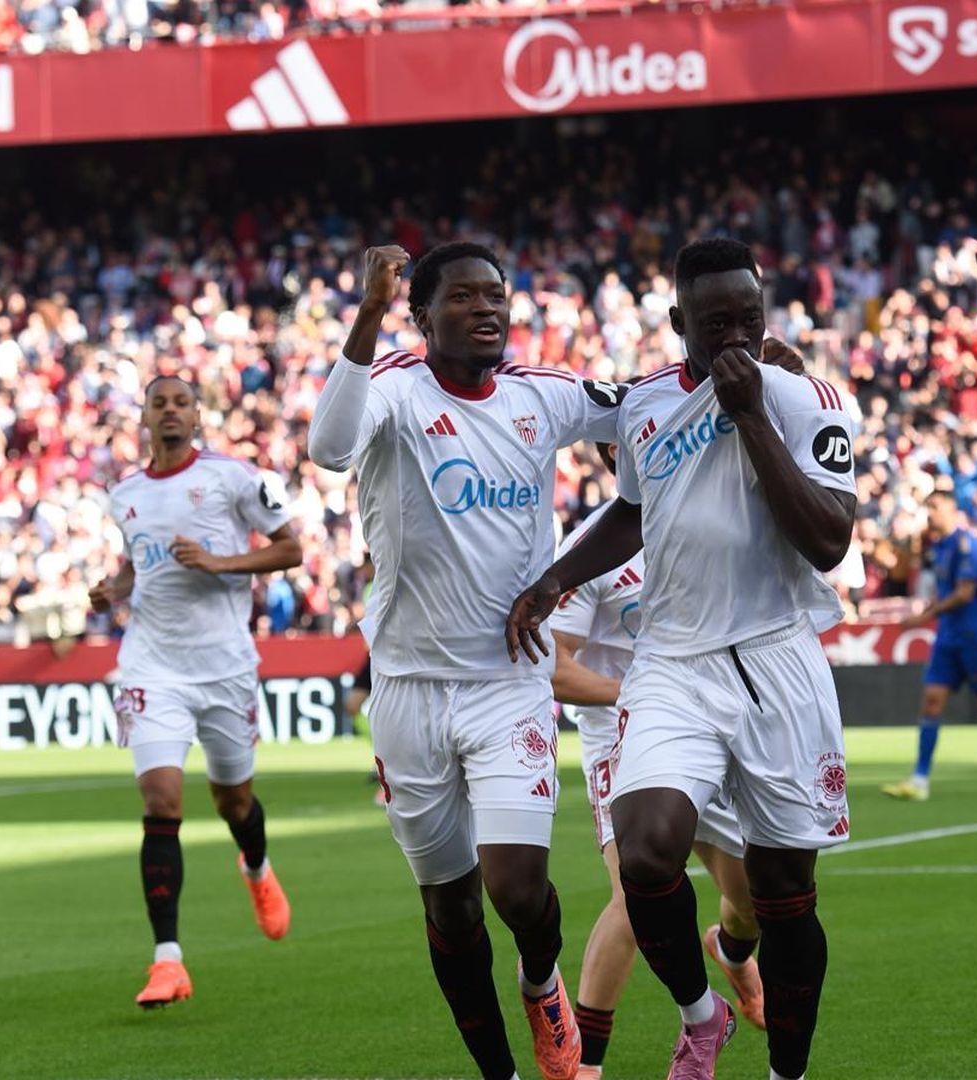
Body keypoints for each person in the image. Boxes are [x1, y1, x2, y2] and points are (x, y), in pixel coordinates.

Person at [506, 237, 858, 1080]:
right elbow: (633, 511)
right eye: (715, 322)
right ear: (678, 324)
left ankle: (786, 1072)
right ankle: (703, 1015)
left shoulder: (809, 401)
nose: (736, 335)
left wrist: (749, 416)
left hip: (778, 662)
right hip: (673, 662)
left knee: (781, 899)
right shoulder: (643, 407)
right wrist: (556, 579)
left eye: (750, 317)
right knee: (646, 849)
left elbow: (828, 540)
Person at [307, 242, 626, 1080]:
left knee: (518, 891)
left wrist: (750, 374)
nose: (487, 309)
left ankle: (541, 980)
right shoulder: (394, 388)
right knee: (449, 909)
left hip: (506, 684)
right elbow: (328, 448)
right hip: (408, 694)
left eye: (497, 296)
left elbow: (645, 406)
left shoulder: (541, 397)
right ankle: (501, 1074)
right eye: (462, 297)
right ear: (421, 312)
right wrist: (367, 316)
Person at [546, 449, 767, 1080]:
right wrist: (641, 693)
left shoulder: (717, 521)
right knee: (633, 897)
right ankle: (583, 1065)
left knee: (752, 899)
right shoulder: (593, 544)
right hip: (622, 733)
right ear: (618, 453)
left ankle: (730, 946)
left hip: (714, 724)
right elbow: (556, 666)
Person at [87, 374, 303, 1009]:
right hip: (152, 666)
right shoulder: (123, 495)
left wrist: (221, 564)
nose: (171, 411)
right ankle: (168, 962)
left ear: (198, 414)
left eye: (183, 401)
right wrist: (115, 590)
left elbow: (290, 548)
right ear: (145, 416)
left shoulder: (236, 477)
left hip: (225, 667)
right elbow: (138, 564)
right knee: (162, 800)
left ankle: (257, 868)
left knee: (235, 801)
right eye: (160, 402)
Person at [881, 491, 977, 802]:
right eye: (928, 508)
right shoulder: (938, 548)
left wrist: (925, 617)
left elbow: (965, 593)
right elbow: (947, 593)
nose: (929, 514)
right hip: (948, 637)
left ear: (952, 510)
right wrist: (929, 609)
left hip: (974, 637)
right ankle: (920, 781)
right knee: (931, 701)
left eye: (935, 507)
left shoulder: (967, 544)